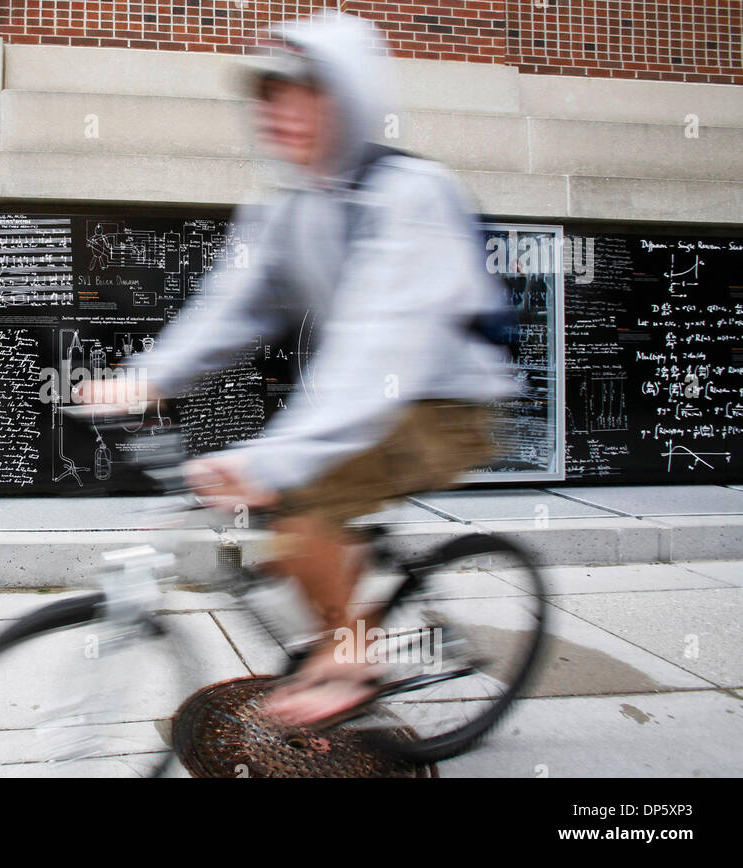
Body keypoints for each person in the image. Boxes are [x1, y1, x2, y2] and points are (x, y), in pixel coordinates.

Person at [76, 10, 519, 728]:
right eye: (264, 94)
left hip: (447, 400)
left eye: (295, 91)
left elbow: (382, 346)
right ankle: (361, 600)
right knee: (285, 534)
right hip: (370, 395)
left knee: (305, 509)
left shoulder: (411, 194)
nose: (273, 110)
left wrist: (280, 458)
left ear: (343, 98)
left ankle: (350, 656)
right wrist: (148, 377)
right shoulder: (283, 208)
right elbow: (232, 307)